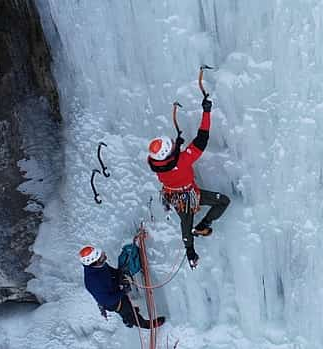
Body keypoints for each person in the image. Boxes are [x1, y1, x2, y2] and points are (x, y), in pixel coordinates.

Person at [147, 96, 230, 269]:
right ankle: (203, 226)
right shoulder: (183, 160)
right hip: (190, 196)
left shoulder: (156, 165)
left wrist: (176, 146)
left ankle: (191, 245)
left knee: (186, 222)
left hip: (173, 196)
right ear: (170, 155)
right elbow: (202, 138)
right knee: (222, 201)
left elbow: (169, 163)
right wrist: (206, 112)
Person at [79, 245, 165, 329]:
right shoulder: (93, 282)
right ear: (95, 262)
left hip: (113, 289)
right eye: (101, 257)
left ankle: (127, 317)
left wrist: (119, 274)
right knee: (128, 311)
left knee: (127, 304)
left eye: (102, 254)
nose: (104, 256)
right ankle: (146, 325)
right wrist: (123, 291)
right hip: (113, 302)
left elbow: (109, 271)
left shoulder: (99, 265)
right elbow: (108, 300)